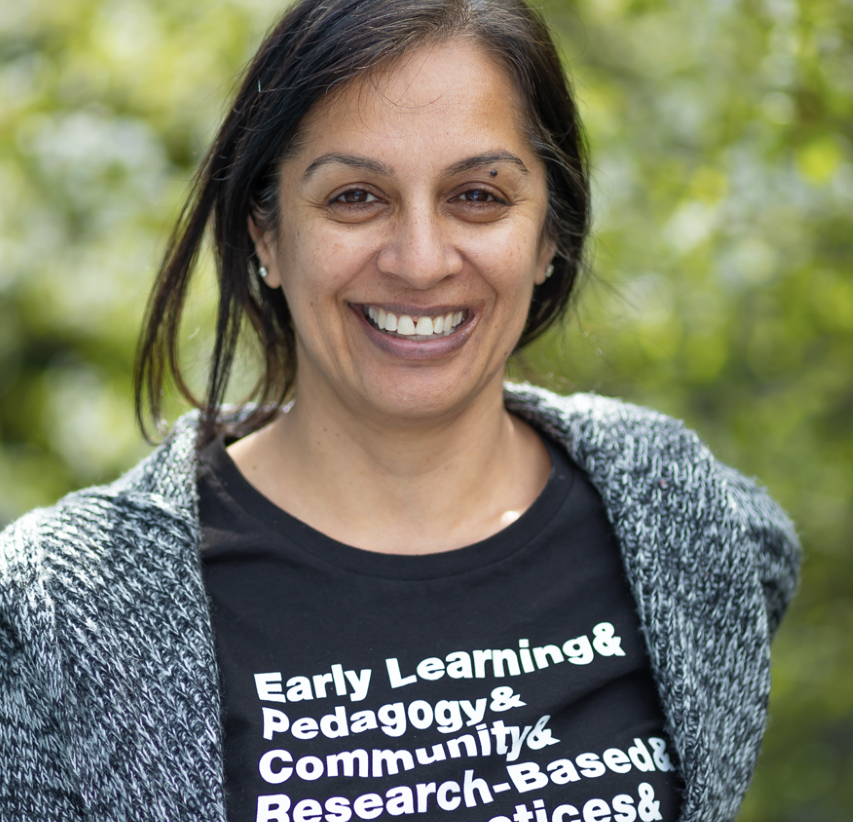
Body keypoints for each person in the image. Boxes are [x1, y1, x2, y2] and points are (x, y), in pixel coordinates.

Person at [0, 0, 800, 820]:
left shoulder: (687, 524)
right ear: (265, 236)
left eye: (478, 196)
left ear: (549, 235)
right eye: (355, 197)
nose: (420, 261)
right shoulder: (61, 620)